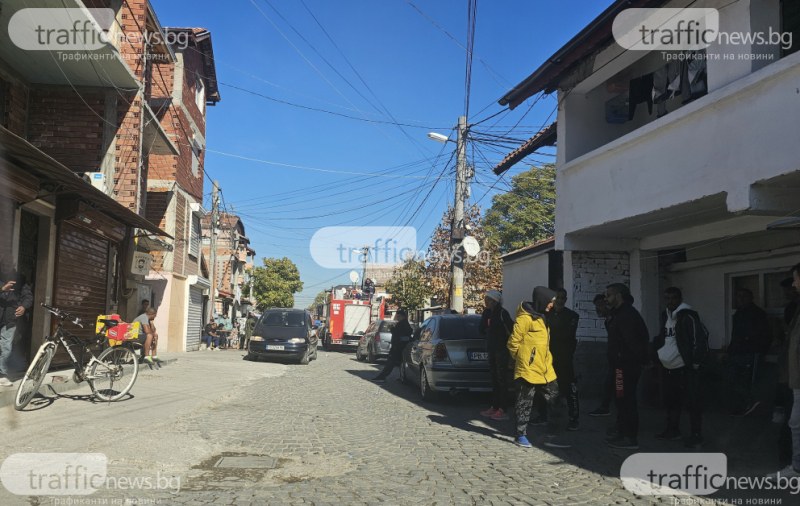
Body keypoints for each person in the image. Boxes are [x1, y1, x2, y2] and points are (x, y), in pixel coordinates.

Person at [507, 286, 566, 449]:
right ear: (543, 300)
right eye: (551, 302)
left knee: (556, 401)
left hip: (546, 369)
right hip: (528, 369)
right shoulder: (525, 319)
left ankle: (553, 435)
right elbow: (513, 343)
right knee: (524, 403)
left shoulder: (543, 317)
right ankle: (520, 435)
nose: (552, 305)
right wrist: (523, 360)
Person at [652, 287, 707, 448]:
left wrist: (695, 362)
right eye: (667, 298)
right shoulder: (666, 316)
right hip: (668, 366)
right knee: (671, 400)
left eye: (673, 298)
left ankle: (696, 434)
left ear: (680, 299)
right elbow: (664, 337)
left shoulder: (688, 316)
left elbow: (698, 339)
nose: (670, 302)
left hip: (685, 366)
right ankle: (672, 430)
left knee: (692, 402)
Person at [604, 283, 650, 450]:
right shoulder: (618, 314)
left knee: (626, 399)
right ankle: (622, 431)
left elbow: (633, 342)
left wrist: (629, 359)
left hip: (625, 366)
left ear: (618, 295)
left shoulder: (627, 315)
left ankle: (630, 437)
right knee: (620, 399)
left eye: (609, 295)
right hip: (620, 365)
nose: (606, 299)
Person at [768, 262, 800, 480]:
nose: (794, 285)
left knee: (795, 422)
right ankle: (796, 468)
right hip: (795, 377)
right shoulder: (797, 307)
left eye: (796, 279)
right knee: (794, 422)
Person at [727, 288, 771, 417]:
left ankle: (750, 403)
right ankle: (743, 405)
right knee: (734, 380)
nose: (740, 299)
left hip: (750, 353)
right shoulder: (738, 314)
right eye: (738, 296)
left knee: (747, 381)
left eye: (744, 296)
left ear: (751, 298)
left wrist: (758, 350)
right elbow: (735, 335)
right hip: (736, 353)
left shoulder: (758, 314)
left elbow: (765, 335)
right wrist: (730, 350)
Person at [542, 288, 581, 431]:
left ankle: (574, 417)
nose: (560, 300)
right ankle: (546, 416)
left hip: (564, 358)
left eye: (563, 298)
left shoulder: (572, 316)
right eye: (557, 297)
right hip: (548, 358)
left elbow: (566, 335)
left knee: (570, 388)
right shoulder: (547, 315)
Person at [478, 290, 515, 421]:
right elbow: (481, 329)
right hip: (492, 349)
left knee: (501, 380)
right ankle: (494, 406)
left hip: (501, 350)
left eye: (487, 300)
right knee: (494, 379)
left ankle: (503, 409)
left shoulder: (502, 313)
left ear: (494, 301)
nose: (485, 302)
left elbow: (512, 330)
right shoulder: (487, 313)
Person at [0, 263, 33, 387]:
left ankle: (2, 375)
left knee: (6, 347)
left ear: (13, 265)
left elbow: (28, 297)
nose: (6, 266)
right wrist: (2, 289)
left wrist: (24, 306)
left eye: (9, 263)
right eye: (4, 263)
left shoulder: (20, 280)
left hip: (10, 319)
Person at [589, 294, 614, 417]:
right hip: (614, 356)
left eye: (599, 305)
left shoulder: (615, 318)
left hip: (620, 358)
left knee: (618, 385)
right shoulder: (609, 320)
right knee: (609, 383)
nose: (598, 309)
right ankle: (606, 406)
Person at [371, 309, 413, 382]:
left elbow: (398, 334)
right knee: (399, 363)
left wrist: (392, 329)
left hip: (397, 347)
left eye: (398, 316)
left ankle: (382, 377)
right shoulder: (404, 323)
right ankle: (402, 377)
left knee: (390, 363)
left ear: (402, 316)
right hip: (399, 346)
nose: (397, 317)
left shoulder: (402, 324)